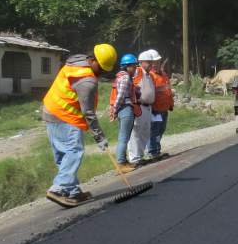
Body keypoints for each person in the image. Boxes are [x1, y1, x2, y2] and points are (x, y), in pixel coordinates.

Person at [42, 44, 116, 207]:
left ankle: (72, 191)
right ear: (94, 61)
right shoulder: (87, 81)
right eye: (102, 69)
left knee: (63, 153)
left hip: (50, 110)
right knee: (74, 151)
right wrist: (100, 136)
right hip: (65, 116)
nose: (102, 73)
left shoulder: (77, 62)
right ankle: (59, 188)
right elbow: (88, 113)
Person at [108, 53, 140, 174]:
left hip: (123, 108)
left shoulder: (120, 77)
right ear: (127, 66)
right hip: (125, 108)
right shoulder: (126, 77)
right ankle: (121, 163)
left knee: (124, 137)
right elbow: (121, 96)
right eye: (133, 66)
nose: (135, 68)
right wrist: (114, 110)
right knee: (123, 138)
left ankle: (124, 161)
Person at [127, 50, 157, 165]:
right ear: (141, 62)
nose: (151, 64)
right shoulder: (138, 71)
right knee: (136, 133)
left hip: (148, 107)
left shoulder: (149, 75)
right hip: (139, 106)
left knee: (145, 132)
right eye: (149, 62)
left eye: (151, 62)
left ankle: (140, 155)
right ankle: (134, 158)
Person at [145, 50, 174, 160]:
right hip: (155, 108)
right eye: (153, 62)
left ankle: (156, 149)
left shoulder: (164, 74)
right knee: (155, 130)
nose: (156, 64)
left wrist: (171, 104)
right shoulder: (150, 76)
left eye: (157, 61)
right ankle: (153, 151)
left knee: (161, 129)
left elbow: (168, 90)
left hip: (164, 107)